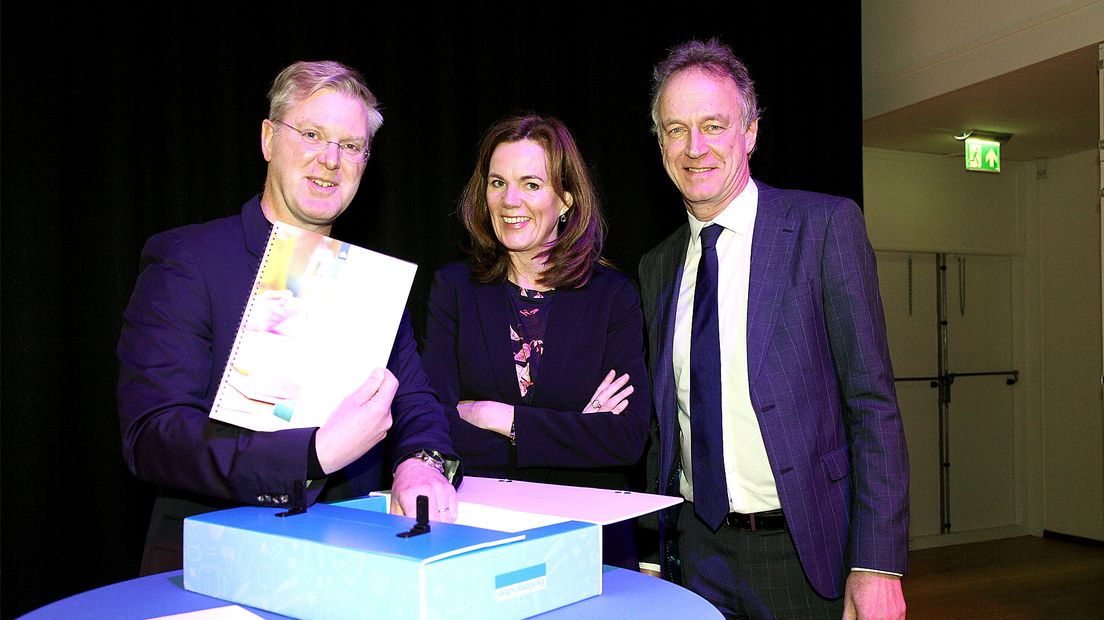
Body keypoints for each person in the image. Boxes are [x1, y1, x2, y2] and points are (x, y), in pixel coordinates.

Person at [117, 61, 460, 575]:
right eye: (312, 134)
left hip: (353, 557)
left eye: (350, 146)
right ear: (268, 139)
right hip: (215, 565)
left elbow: (415, 401)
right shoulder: (189, 261)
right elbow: (154, 435)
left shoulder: (371, 282)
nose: (329, 160)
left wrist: (423, 465)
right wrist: (312, 454)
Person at [638, 39, 909, 619]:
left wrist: (878, 563)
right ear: (660, 142)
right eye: (675, 129)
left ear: (751, 131)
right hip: (695, 552)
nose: (694, 148)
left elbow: (873, 405)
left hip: (803, 557)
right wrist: (657, 548)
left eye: (713, 125)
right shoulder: (656, 266)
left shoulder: (824, 229)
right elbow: (670, 427)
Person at [419, 114, 650, 567]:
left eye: (530, 184)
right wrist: (571, 432)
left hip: (590, 543)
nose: (510, 200)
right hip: (480, 537)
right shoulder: (454, 290)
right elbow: (433, 424)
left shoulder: (612, 296)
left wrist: (497, 416)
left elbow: (625, 439)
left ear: (565, 199)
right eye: (497, 182)